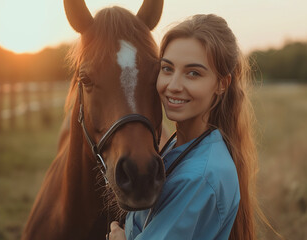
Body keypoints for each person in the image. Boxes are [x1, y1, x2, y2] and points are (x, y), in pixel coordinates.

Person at [110, 14, 258, 240]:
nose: (173, 86)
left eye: (193, 73)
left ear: (221, 84)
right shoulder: (181, 147)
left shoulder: (201, 177)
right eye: (167, 69)